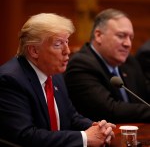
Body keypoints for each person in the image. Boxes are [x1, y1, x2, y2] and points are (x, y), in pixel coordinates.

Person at [0, 13, 116, 147]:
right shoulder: (10, 80)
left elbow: (71, 116)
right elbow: (26, 136)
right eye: (58, 44)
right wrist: (84, 138)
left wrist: (97, 128)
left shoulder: (54, 74)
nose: (67, 51)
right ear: (34, 51)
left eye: (66, 42)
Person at [64, 8, 150, 123]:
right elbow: (110, 110)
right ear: (99, 35)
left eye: (131, 38)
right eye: (121, 36)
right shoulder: (81, 65)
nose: (128, 44)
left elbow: (145, 96)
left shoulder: (129, 61)